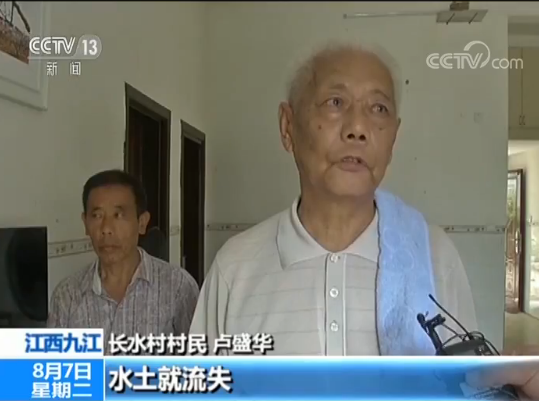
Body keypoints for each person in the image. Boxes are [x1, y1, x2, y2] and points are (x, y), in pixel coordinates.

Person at [189, 42, 478, 356]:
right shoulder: (234, 268)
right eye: (335, 102)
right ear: (288, 126)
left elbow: (469, 379)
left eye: (378, 108)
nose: (358, 128)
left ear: (393, 136)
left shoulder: (434, 257)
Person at [47, 169, 199, 353]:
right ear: (85, 223)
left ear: (142, 223)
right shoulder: (67, 296)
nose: (106, 229)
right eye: (97, 216)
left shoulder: (178, 287)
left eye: (118, 215)